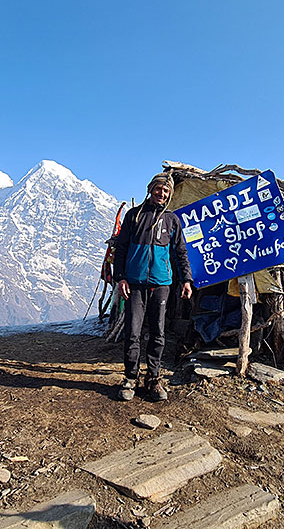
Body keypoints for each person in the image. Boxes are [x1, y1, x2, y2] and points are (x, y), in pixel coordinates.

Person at [113, 172, 193, 401]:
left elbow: (180, 252)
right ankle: (130, 378)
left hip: (161, 285)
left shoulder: (171, 220)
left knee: (158, 332)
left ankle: (154, 378)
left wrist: (186, 280)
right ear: (150, 189)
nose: (162, 193)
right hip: (134, 284)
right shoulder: (134, 216)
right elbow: (121, 249)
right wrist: (121, 278)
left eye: (166, 190)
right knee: (133, 332)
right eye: (158, 189)